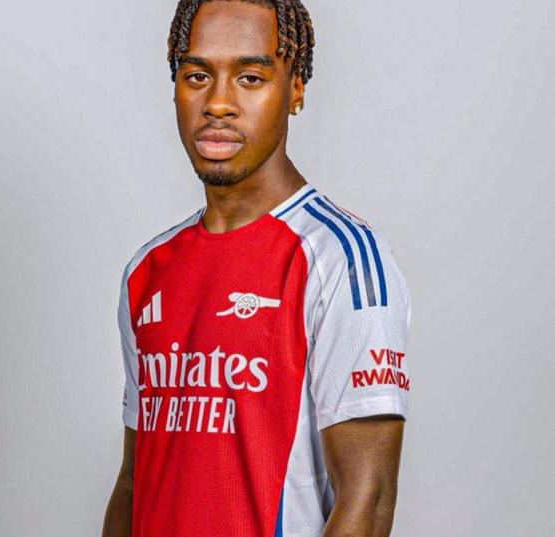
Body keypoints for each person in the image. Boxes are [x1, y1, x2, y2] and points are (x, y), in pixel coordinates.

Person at [102, 1, 411, 536]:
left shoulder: (340, 258)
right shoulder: (146, 272)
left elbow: (369, 498)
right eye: (197, 76)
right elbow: (134, 480)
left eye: (250, 77)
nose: (218, 103)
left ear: (295, 90)